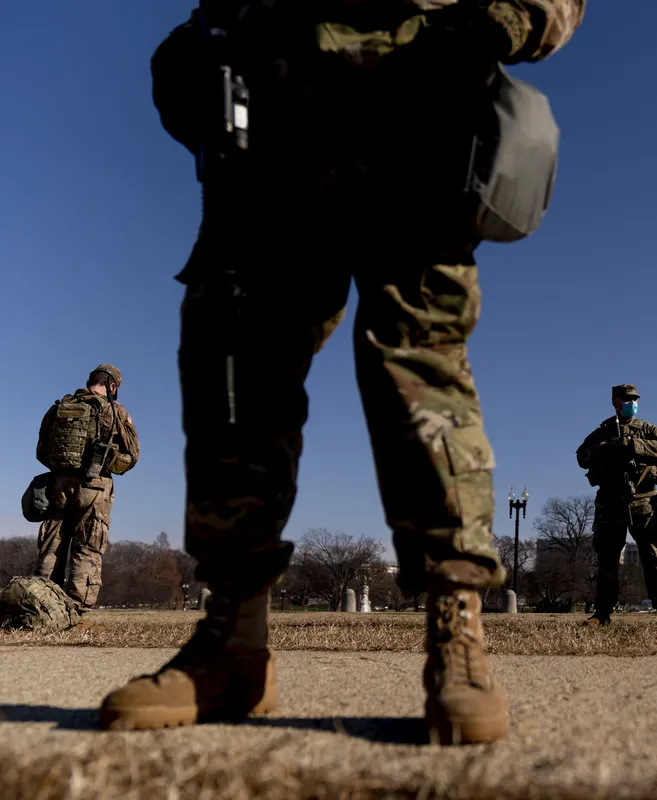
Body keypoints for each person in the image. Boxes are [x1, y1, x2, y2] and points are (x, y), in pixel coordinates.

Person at [98, 0, 586, 743]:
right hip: (276, 129)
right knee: (235, 365)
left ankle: (457, 624)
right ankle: (235, 637)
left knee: (418, 365)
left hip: (420, 110)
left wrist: (499, 23)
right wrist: (194, 53)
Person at [33, 364, 140, 613]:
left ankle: (42, 604)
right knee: (87, 546)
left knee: (52, 544)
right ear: (112, 386)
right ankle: (77, 609)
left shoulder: (59, 408)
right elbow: (132, 456)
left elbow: (41, 451)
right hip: (94, 488)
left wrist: (63, 472)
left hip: (59, 485)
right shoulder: (114, 411)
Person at [575, 384, 657, 626]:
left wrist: (632, 445)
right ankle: (602, 612)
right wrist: (604, 448)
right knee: (607, 558)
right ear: (615, 402)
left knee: (652, 556)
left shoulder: (648, 429)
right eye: (627, 399)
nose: (632, 403)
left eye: (635, 399)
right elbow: (581, 457)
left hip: (643, 500)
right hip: (610, 501)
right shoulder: (604, 431)